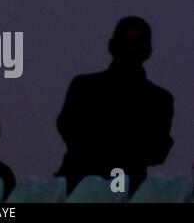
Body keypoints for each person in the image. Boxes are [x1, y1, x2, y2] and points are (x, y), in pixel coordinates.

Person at [55, 16, 174, 194]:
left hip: (123, 189)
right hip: (78, 185)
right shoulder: (84, 87)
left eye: (136, 43)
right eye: (125, 42)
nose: (130, 49)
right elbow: (70, 129)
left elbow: (156, 150)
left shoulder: (159, 99)